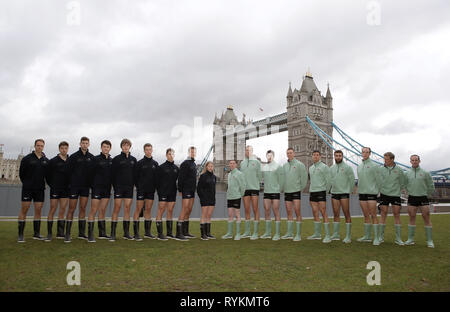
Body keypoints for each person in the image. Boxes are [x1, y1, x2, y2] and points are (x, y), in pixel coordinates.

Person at [18, 139, 49, 242]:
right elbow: (21, 174)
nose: (39, 147)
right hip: (28, 188)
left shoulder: (45, 160)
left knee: (38, 210)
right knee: (24, 210)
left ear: (43, 147)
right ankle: (20, 235)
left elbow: (47, 176)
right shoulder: (27, 159)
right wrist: (27, 183)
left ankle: (36, 234)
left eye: (41, 146)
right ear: (35, 146)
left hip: (40, 189)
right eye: (38, 145)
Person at [65, 137, 94, 243]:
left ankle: (81, 233)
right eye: (83, 143)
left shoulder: (91, 158)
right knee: (71, 209)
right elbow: (68, 172)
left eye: (87, 143)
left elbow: (92, 173)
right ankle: (67, 233)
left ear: (89, 144)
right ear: (80, 144)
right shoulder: (73, 157)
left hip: (85, 188)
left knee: (83, 208)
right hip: (74, 187)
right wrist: (71, 184)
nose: (85, 145)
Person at [404, 155, 435, 248]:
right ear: (410, 161)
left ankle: (429, 240)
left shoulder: (425, 173)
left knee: (426, 218)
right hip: (412, 197)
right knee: (411, 218)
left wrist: (426, 194)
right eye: (412, 160)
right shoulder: (406, 173)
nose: (414, 162)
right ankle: (410, 239)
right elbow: (404, 184)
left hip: (423, 197)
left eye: (416, 160)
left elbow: (431, 185)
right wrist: (409, 192)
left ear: (419, 161)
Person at [110, 139, 137, 241]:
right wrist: (115, 186)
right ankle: (113, 233)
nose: (126, 147)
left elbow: (135, 175)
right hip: (119, 188)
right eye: (124, 145)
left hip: (129, 188)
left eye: (128, 145)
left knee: (127, 209)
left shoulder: (133, 159)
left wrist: (133, 185)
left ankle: (126, 233)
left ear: (130, 147)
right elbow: (112, 174)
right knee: (116, 208)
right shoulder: (116, 159)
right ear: (121, 147)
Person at [378, 152, 407, 246]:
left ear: (392, 159)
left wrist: (397, 190)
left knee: (397, 215)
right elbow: (378, 180)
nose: (384, 161)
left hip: (395, 195)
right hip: (384, 194)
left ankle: (398, 239)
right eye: (384, 159)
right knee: (383, 214)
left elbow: (403, 182)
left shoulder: (399, 169)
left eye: (386, 159)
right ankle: (380, 238)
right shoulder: (381, 169)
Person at [87, 140, 113, 242]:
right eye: (104, 147)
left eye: (107, 147)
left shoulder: (111, 160)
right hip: (97, 188)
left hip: (107, 189)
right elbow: (89, 174)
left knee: (102, 210)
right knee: (93, 210)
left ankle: (102, 233)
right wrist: (93, 185)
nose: (106, 148)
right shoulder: (95, 159)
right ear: (101, 148)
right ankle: (90, 234)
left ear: (110, 148)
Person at [45, 141, 70, 241]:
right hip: (55, 188)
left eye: (66, 148)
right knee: (52, 209)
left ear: (68, 149)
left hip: (65, 189)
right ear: (59, 149)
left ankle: (60, 233)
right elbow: (47, 175)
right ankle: (49, 233)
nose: (64, 150)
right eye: (62, 148)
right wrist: (53, 185)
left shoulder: (70, 161)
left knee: (62, 210)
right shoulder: (53, 161)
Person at [356, 147, 381, 245]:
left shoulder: (375, 166)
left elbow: (379, 180)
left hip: (371, 193)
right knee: (366, 216)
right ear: (361, 153)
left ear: (370, 153)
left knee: (373, 215)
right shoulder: (359, 166)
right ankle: (367, 236)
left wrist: (377, 192)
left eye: (367, 152)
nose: (365, 154)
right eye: (363, 152)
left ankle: (377, 238)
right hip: (362, 193)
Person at [282, 147, 307, 241]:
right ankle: (289, 233)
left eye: (291, 152)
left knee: (297, 211)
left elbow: (304, 178)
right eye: (288, 153)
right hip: (287, 191)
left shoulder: (300, 165)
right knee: (289, 212)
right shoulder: (284, 166)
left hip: (296, 191)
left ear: (294, 154)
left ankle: (298, 235)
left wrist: (300, 188)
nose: (289, 154)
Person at [134, 143, 159, 240]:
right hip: (141, 190)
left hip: (151, 191)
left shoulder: (155, 164)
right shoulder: (139, 163)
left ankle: (147, 233)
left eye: (150, 149)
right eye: (147, 149)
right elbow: (135, 177)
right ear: (144, 151)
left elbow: (157, 178)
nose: (148, 151)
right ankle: (136, 233)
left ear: (152, 150)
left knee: (148, 210)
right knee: (138, 209)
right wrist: (139, 186)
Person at [329, 150, 355, 243]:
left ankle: (348, 236)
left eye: (340, 155)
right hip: (334, 193)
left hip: (344, 193)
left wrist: (349, 190)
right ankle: (336, 234)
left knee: (346, 213)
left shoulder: (348, 168)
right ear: (334, 156)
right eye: (336, 155)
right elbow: (330, 181)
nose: (338, 157)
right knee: (336, 214)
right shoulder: (331, 168)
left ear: (342, 156)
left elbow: (352, 181)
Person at [307, 150, 332, 243]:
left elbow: (329, 180)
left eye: (317, 155)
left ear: (320, 156)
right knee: (315, 212)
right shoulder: (310, 168)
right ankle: (317, 234)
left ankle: (327, 236)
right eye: (314, 155)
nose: (315, 157)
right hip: (312, 192)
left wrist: (326, 191)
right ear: (312, 156)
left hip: (321, 192)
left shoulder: (325, 167)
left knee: (323, 212)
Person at [260, 150, 285, 241]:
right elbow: (260, 177)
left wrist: (279, 189)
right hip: (266, 192)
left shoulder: (278, 166)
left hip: (275, 192)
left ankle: (277, 234)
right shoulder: (264, 167)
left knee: (275, 211)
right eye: (267, 155)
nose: (269, 156)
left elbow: (281, 180)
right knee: (266, 211)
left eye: (270, 155)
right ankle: (268, 233)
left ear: (273, 156)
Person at [155, 148, 180, 241]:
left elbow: (179, 181)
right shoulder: (161, 167)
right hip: (163, 192)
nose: (171, 155)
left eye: (172, 154)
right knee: (160, 210)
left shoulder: (176, 168)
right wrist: (160, 191)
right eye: (169, 154)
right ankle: (160, 233)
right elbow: (157, 181)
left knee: (170, 211)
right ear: (166, 155)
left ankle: (169, 233)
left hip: (172, 192)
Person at [239, 145, 262, 240]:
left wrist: (256, 184)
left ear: (252, 152)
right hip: (245, 189)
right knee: (247, 210)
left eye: (250, 150)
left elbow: (259, 176)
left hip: (254, 188)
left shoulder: (257, 162)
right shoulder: (242, 163)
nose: (248, 152)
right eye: (247, 150)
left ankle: (255, 233)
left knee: (255, 209)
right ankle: (247, 232)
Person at [222, 159, 246, 240]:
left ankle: (238, 234)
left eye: (233, 163)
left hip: (237, 196)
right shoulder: (229, 174)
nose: (231, 164)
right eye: (230, 163)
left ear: (236, 165)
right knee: (230, 215)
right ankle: (229, 233)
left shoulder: (239, 174)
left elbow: (243, 186)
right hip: (230, 197)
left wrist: (240, 194)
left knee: (237, 214)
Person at [177, 146, 197, 239]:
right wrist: (180, 189)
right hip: (186, 189)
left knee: (189, 210)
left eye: (194, 152)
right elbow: (180, 178)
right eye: (191, 152)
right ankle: (178, 233)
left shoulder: (194, 164)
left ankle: (185, 232)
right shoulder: (185, 163)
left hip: (192, 190)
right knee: (184, 209)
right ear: (188, 153)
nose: (193, 153)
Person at [197, 161, 217, 240]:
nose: (210, 167)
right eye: (209, 166)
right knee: (204, 215)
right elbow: (199, 189)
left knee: (209, 216)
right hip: (204, 199)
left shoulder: (214, 177)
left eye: (212, 166)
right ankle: (203, 235)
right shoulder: (203, 176)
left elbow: (213, 189)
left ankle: (208, 233)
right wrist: (202, 197)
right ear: (206, 167)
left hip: (212, 199)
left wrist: (213, 197)